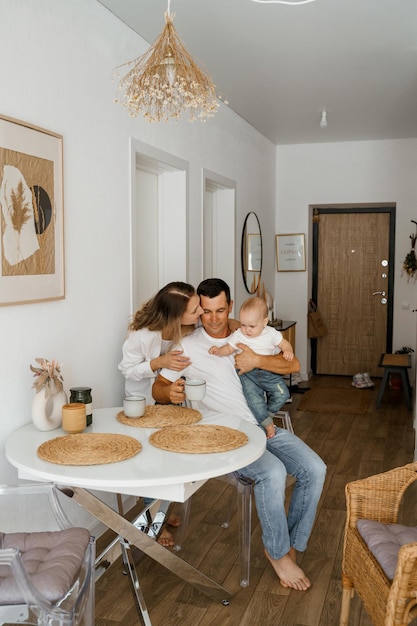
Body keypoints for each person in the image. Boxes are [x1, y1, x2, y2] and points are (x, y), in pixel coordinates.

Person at [152, 278, 326, 590]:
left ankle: (288, 547)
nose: (214, 318)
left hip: (263, 426)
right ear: (198, 312)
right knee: (272, 472)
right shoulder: (187, 346)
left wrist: (257, 359)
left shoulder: (249, 331)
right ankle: (277, 554)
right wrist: (172, 394)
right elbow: (158, 388)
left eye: (220, 310)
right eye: (206, 312)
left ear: (230, 306)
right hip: (223, 435)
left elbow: (294, 364)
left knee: (315, 469)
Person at [118, 282, 203, 546]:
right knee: (150, 465)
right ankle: (154, 522)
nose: (201, 311)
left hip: (168, 404)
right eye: (195, 308)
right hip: (142, 406)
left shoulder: (187, 330)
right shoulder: (141, 336)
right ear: (176, 315)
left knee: (170, 459)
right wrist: (158, 363)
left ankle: (161, 512)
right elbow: (127, 370)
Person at [209, 296, 292, 439]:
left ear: (264, 322)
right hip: (247, 374)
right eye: (243, 325)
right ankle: (267, 425)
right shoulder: (239, 335)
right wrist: (218, 351)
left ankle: (267, 415)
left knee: (282, 394)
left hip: (267, 373)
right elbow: (229, 348)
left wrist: (288, 350)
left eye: (252, 326)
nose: (246, 330)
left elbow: (284, 343)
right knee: (254, 400)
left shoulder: (271, 333)